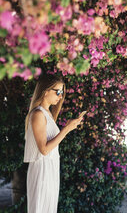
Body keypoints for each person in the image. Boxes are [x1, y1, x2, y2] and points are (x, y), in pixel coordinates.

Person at [23, 73, 86, 213]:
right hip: (42, 169)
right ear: (45, 92)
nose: (60, 96)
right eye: (58, 92)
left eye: (62, 92)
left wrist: (68, 128)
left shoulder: (48, 113)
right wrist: (67, 129)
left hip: (50, 167)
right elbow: (44, 150)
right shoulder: (38, 114)